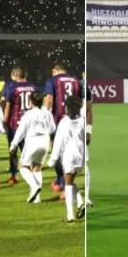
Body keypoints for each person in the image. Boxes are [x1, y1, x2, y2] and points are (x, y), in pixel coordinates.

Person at [10, 91, 56, 203]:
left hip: (32, 141)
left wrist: (14, 144)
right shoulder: (48, 113)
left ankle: (34, 186)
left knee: (22, 166)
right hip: (44, 141)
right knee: (37, 167)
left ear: (31, 101)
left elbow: (20, 131)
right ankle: (37, 198)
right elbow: (52, 129)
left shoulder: (28, 114)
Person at [48, 94, 87, 223]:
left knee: (68, 185)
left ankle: (70, 217)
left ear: (67, 108)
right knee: (70, 180)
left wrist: (52, 159)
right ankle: (81, 204)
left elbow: (58, 142)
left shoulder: (64, 122)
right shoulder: (82, 121)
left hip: (69, 156)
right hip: (80, 156)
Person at [44, 63, 82, 194]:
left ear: (54, 71)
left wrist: (46, 116)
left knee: (57, 150)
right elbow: (81, 101)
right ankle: (60, 181)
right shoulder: (76, 81)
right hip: (75, 120)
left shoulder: (52, 80)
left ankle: (63, 182)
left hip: (58, 120)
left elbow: (49, 99)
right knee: (71, 149)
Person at [1, 67, 36, 185]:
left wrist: (5, 120)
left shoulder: (12, 87)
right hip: (30, 124)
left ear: (16, 75)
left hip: (15, 123)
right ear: (26, 75)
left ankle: (14, 175)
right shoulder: (33, 87)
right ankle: (32, 174)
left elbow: (8, 106)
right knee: (28, 150)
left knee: (13, 149)